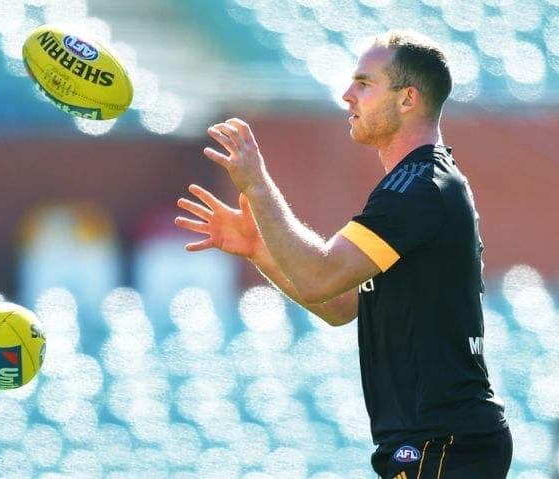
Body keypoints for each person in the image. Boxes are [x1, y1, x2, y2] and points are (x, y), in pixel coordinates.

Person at [175, 30, 512, 478]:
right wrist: (258, 247)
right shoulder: (416, 185)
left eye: (364, 83)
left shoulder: (417, 188)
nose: (347, 95)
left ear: (407, 98)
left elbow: (320, 276)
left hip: (444, 441)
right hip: (435, 440)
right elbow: (338, 304)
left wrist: (257, 185)